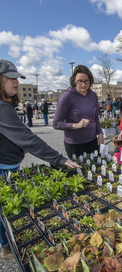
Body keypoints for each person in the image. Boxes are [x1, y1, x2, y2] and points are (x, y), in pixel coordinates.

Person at [0, 59, 80, 259]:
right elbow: (27, 138)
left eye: (17, 78)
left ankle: (6, 245)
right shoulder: (1, 107)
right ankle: (7, 247)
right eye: (11, 78)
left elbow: (19, 133)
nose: (16, 82)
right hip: (3, 168)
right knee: (5, 212)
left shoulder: (5, 106)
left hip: (8, 164)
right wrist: (59, 159)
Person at [53, 64, 104, 159]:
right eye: (80, 81)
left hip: (92, 142)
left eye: (86, 81)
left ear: (90, 80)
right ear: (74, 80)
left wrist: (100, 133)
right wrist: (76, 125)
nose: (83, 85)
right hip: (74, 145)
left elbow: (96, 117)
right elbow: (56, 123)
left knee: (95, 170)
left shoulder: (93, 95)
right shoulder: (67, 96)